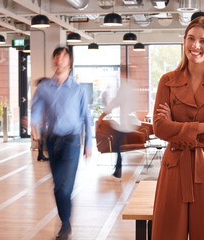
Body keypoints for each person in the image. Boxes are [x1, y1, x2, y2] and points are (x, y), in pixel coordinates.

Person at [152, 16, 204, 240]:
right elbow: (159, 128)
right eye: (190, 38)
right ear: (184, 41)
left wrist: (177, 128)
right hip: (174, 168)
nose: (195, 46)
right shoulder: (167, 81)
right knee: (166, 234)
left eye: (203, 41)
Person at [30, 47, 92, 240]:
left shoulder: (78, 89)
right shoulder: (44, 87)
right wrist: (32, 123)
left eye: (63, 57)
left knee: (65, 188)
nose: (59, 60)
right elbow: (36, 109)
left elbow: (86, 118)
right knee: (58, 187)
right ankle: (65, 222)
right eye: (56, 57)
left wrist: (89, 143)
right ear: (53, 61)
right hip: (52, 141)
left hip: (72, 141)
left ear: (69, 62)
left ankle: (65, 225)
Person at [96, 79, 140, 180]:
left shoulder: (124, 91)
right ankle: (117, 170)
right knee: (117, 145)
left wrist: (100, 118)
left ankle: (118, 171)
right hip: (127, 124)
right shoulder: (128, 90)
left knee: (117, 145)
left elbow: (113, 104)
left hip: (126, 124)